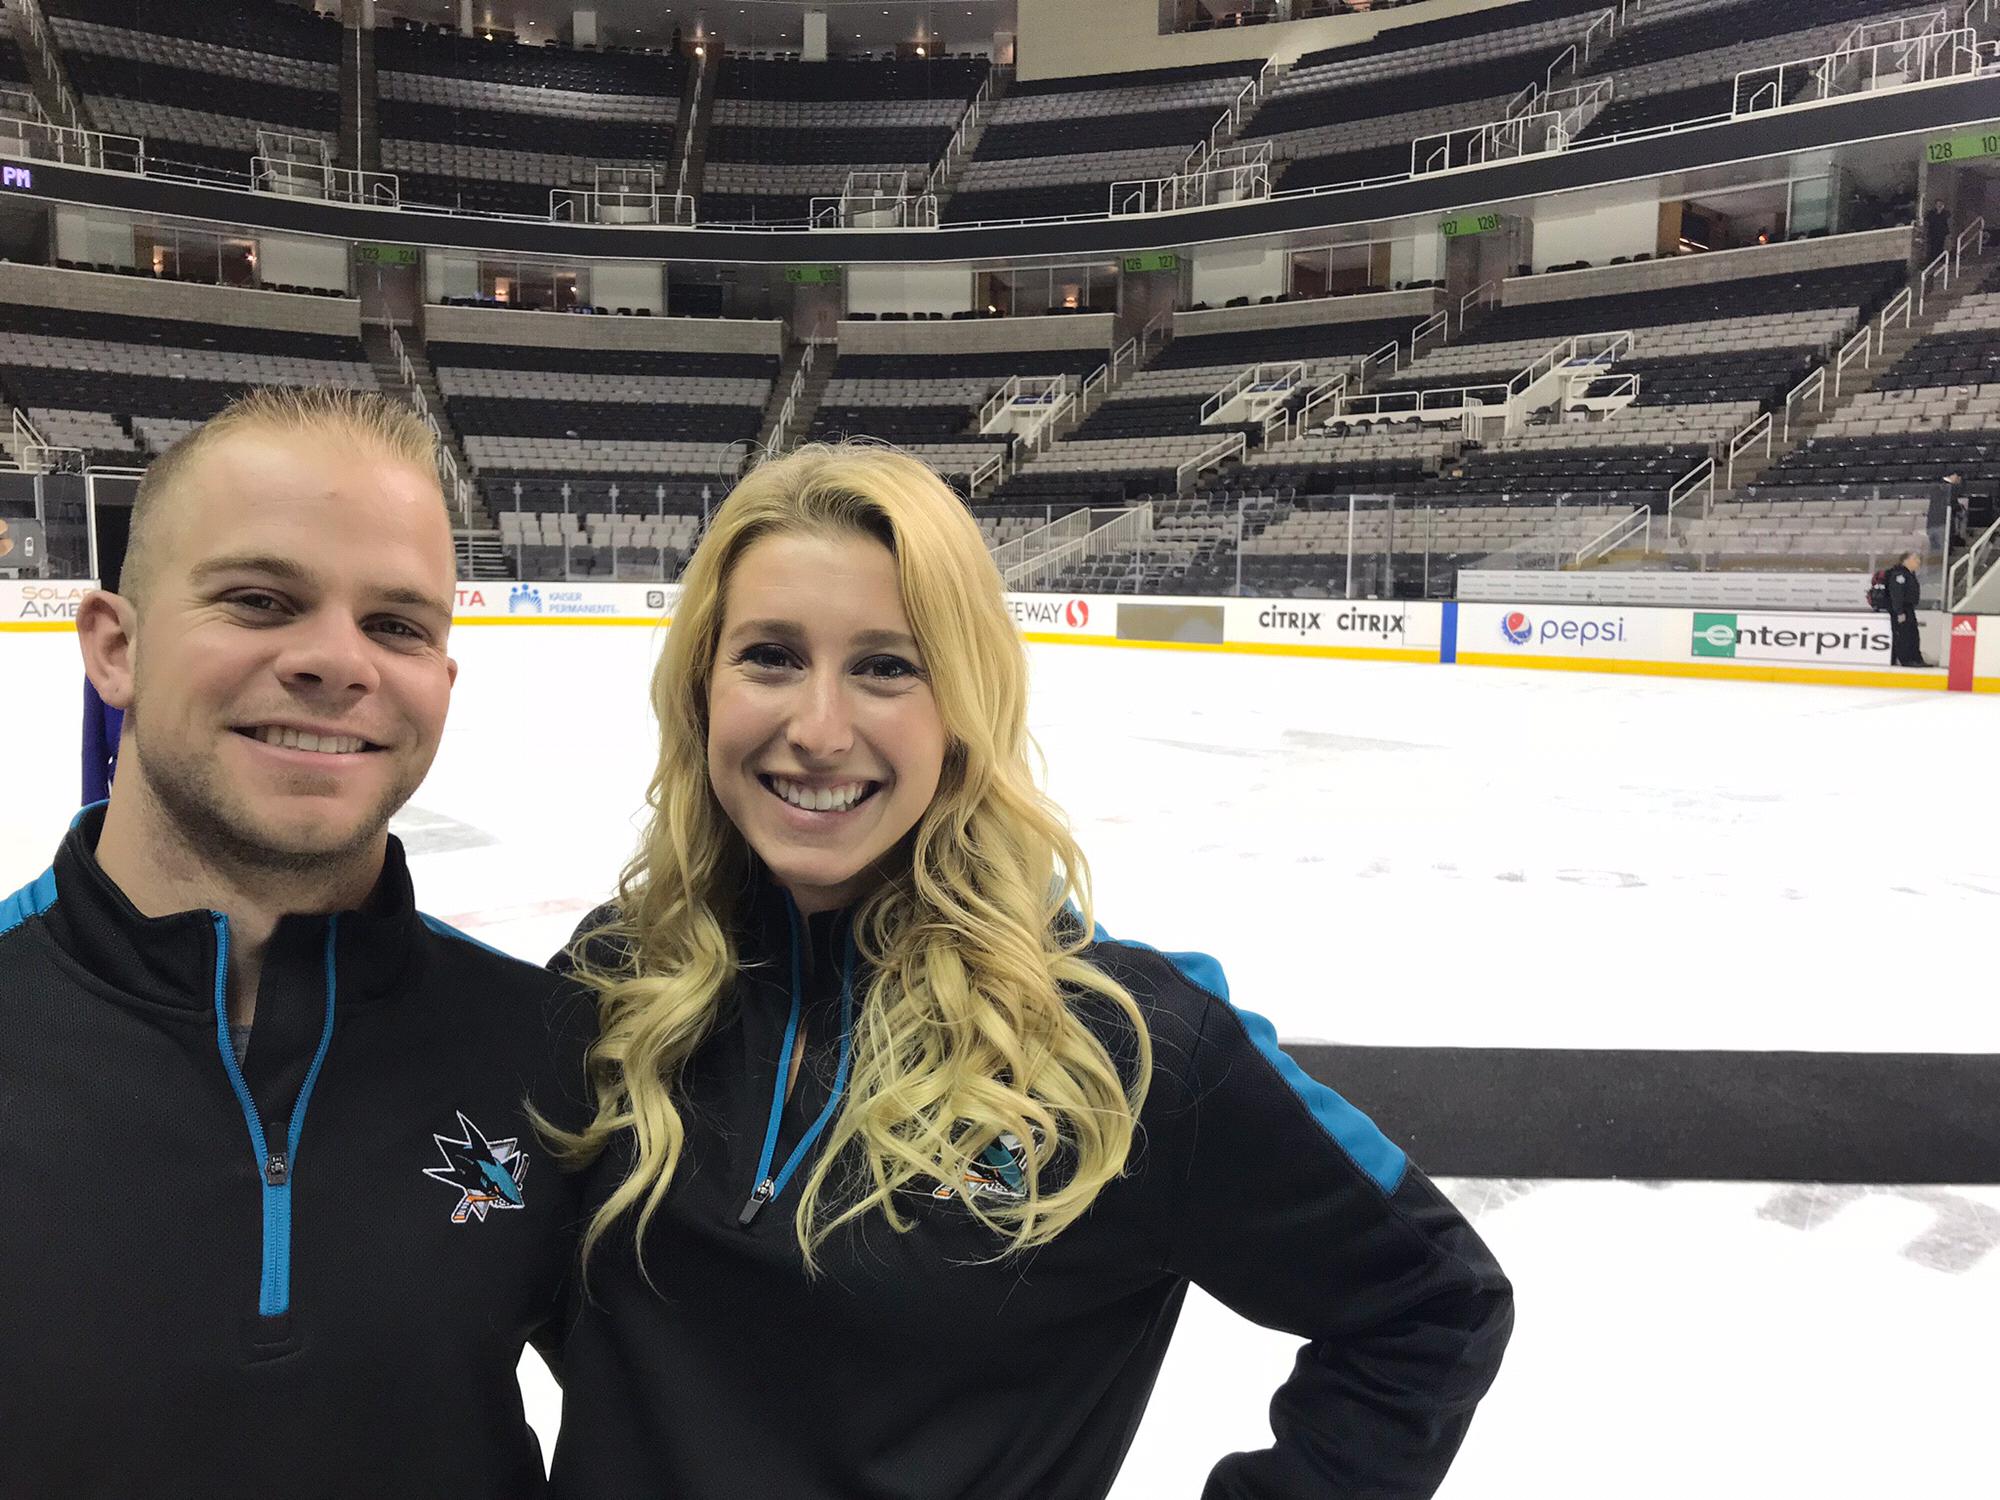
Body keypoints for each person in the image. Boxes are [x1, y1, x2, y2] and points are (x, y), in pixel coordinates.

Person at [543, 443, 1513, 1500]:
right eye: (770, 655)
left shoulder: (1119, 1041)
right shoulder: (615, 979)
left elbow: (1432, 1302)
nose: (817, 729)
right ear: (701, 685)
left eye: (885, 665)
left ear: (960, 704)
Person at [0, 388, 591, 1498]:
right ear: (115, 648)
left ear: (441, 684)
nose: (337, 662)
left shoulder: (549, 1052)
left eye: (398, 625)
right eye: (263, 601)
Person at [1885, 548, 1930, 667]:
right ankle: (1906, 659)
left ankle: (1916, 658)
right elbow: (1897, 595)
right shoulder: (1899, 575)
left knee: (1913, 634)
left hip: (1909, 609)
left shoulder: (1909, 574)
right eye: (1915, 559)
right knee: (1904, 635)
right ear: (1905, 560)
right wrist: (1899, 612)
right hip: (1901, 610)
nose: (1918, 562)